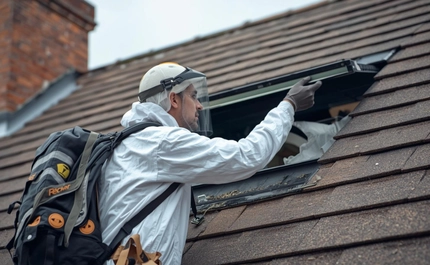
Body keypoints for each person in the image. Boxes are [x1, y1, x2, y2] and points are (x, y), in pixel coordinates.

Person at [98, 62, 321, 264]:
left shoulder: (125, 145)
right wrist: (288, 105)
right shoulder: (163, 142)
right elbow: (247, 156)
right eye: (193, 96)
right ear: (173, 99)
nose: (200, 106)